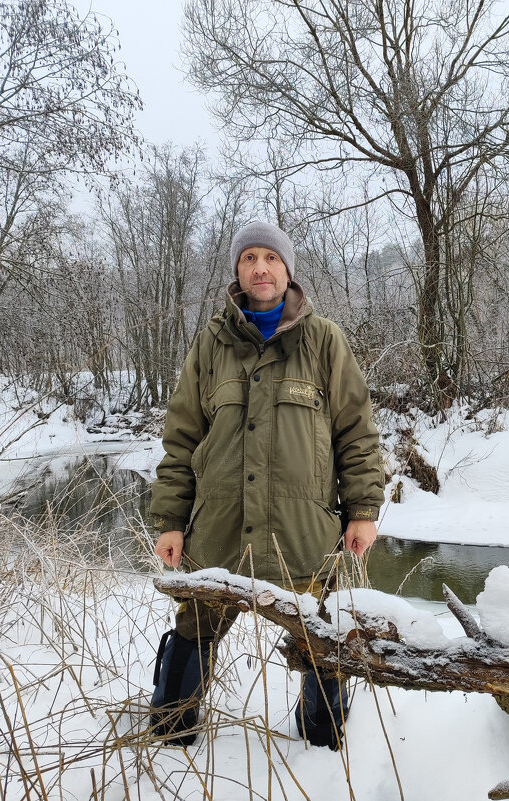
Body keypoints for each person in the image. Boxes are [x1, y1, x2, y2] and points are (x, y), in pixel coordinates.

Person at [147, 220, 384, 748]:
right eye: (249, 258)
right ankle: (172, 730)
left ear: (287, 270)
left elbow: (357, 432)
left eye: (270, 258)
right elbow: (182, 439)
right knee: (193, 632)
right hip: (219, 532)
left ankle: (322, 735)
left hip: (305, 535)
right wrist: (170, 521)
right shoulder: (211, 342)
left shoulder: (324, 340)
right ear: (236, 271)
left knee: (323, 637)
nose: (260, 267)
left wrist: (363, 509)